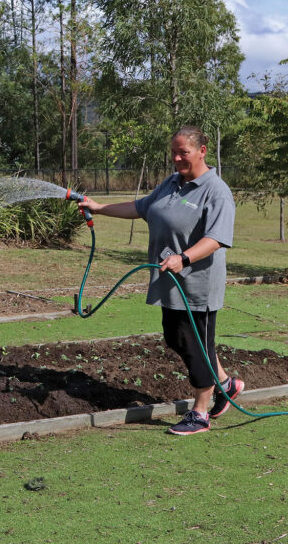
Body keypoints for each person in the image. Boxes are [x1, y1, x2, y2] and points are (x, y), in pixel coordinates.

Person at [78, 125, 241, 436]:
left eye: (184, 152)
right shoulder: (172, 183)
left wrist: (184, 257)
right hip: (170, 281)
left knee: (195, 346)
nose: (177, 158)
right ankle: (226, 384)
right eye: (174, 153)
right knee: (177, 337)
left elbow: (217, 239)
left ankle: (200, 412)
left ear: (202, 151)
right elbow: (142, 207)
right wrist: (99, 207)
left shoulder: (215, 190)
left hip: (197, 284)